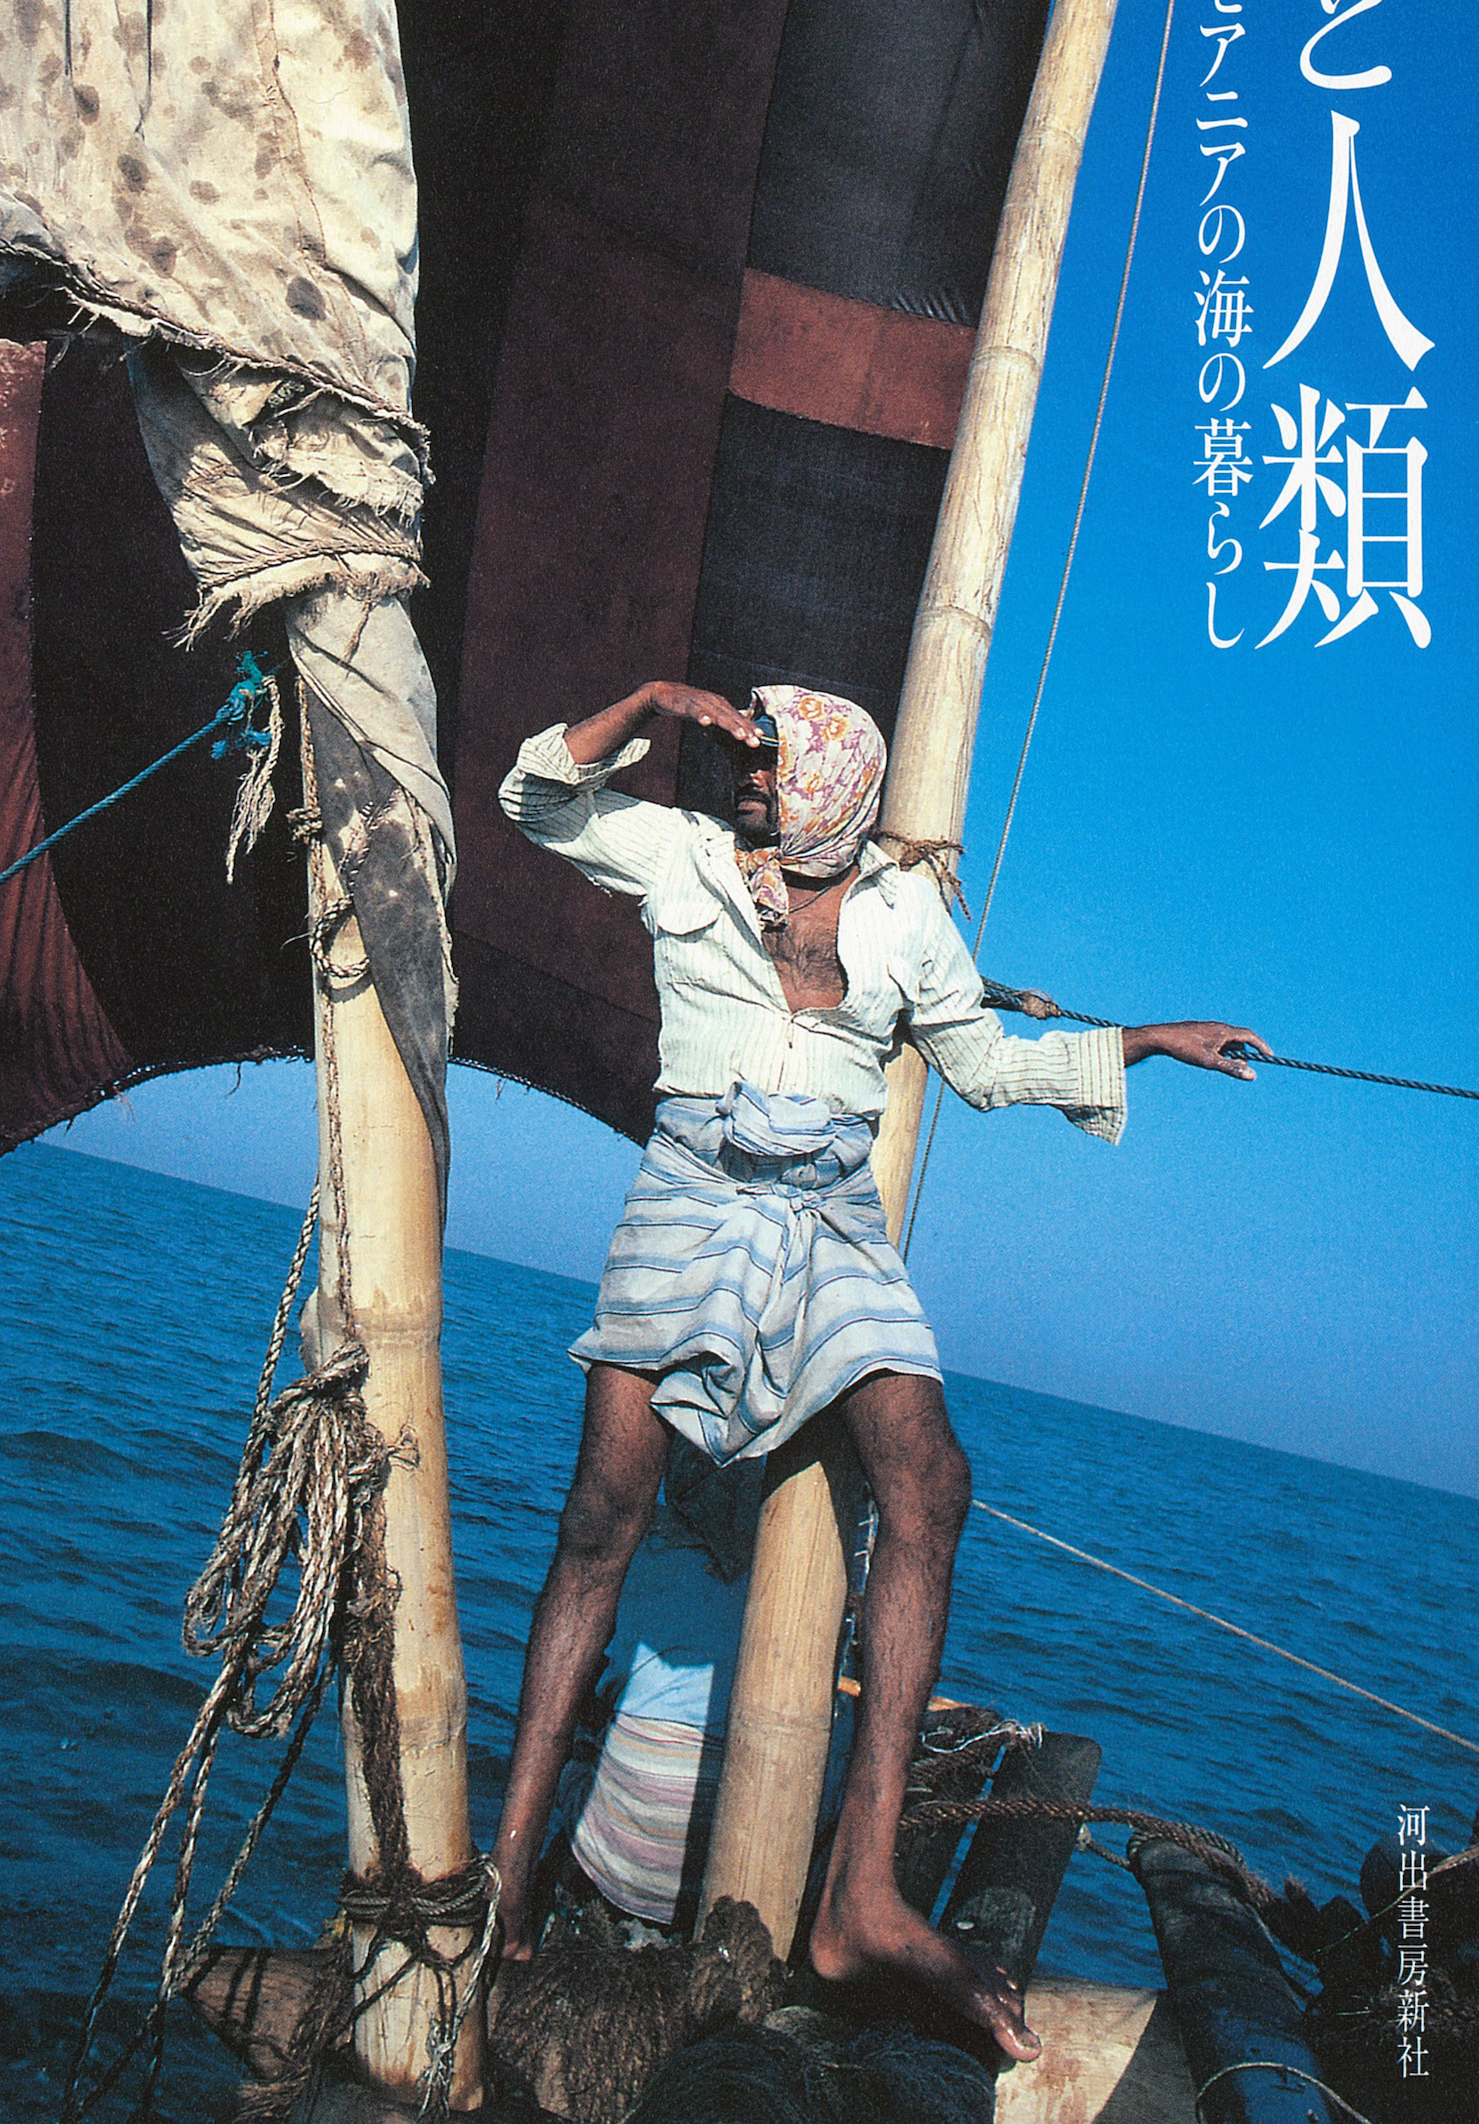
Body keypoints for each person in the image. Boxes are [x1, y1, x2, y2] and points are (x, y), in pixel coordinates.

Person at [490, 678, 1268, 2061]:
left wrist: (1146, 1038)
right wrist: (651, 701)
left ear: (832, 789)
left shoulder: (909, 921)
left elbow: (987, 1067)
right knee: (601, 1516)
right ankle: (505, 1873)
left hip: (833, 1219)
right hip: (691, 1196)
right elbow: (534, 797)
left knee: (932, 1486)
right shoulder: (679, 855)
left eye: (771, 765)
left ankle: (861, 1895)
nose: (745, 777)